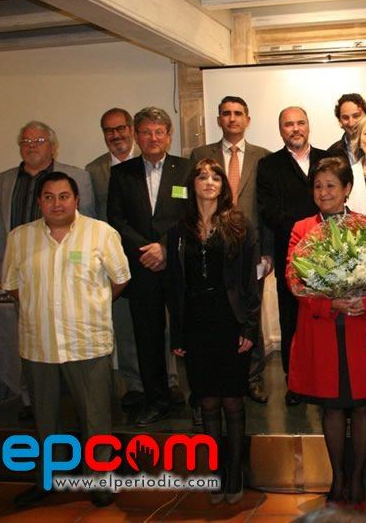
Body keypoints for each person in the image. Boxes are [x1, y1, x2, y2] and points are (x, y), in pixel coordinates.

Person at [2, 172, 130, 509]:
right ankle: (49, 479)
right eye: (49, 197)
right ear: (39, 202)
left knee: (95, 417)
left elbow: (119, 280)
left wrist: (89, 306)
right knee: (45, 419)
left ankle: (98, 480)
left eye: (63, 196)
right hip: (39, 344)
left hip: (86, 341)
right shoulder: (19, 238)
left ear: (76, 199)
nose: (56, 203)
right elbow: (13, 286)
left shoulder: (101, 233)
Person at [285, 156, 366, 509]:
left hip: (359, 329)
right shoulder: (302, 229)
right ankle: (337, 478)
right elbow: (294, 277)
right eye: (318, 186)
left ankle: (358, 478)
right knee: (332, 408)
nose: (324, 192)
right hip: (322, 329)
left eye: (331, 185)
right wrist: (330, 303)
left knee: (362, 406)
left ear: (347, 188)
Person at [166, 158, 260, 505]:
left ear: (223, 186)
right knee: (206, 401)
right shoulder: (179, 230)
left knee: (232, 400)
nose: (208, 182)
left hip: (230, 320)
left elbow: (250, 281)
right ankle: (216, 474)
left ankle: (235, 475)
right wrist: (177, 333)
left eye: (215, 177)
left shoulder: (240, 225)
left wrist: (249, 325)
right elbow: (174, 285)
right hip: (195, 322)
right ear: (192, 184)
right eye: (202, 176)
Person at [107, 106, 194, 426]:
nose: (153, 137)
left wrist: (165, 247)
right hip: (142, 266)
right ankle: (156, 400)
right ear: (136, 135)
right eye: (146, 132)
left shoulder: (187, 169)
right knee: (148, 338)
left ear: (169, 136)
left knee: (191, 333)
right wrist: (148, 249)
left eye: (159, 132)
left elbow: (193, 215)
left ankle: (199, 400)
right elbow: (116, 219)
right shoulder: (122, 174)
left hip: (180, 265)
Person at [190, 95, 271, 405]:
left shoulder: (263, 157)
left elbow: (265, 208)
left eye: (238, 113)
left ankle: (253, 377)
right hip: (211, 246)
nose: (232, 118)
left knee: (251, 311)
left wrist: (268, 252)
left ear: (247, 119)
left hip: (250, 248)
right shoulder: (201, 154)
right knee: (217, 314)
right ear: (218, 120)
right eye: (226, 113)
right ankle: (215, 377)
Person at [256, 106, 329, 406]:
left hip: (330, 255)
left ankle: (325, 380)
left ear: (308, 126)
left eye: (300, 123)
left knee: (324, 319)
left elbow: (337, 199)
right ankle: (295, 384)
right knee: (291, 321)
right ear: (280, 129)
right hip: (291, 254)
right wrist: (306, 229)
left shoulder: (328, 159)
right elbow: (268, 210)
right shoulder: (268, 165)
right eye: (288, 124)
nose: (295, 128)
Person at [85, 108, 143, 411]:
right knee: (124, 325)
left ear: (131, 129)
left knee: (161, 323)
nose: (116, 135)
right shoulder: (93, 171)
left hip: (148, 255)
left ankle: (169, 380)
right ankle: (134, 384)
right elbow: (91, 217)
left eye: (121, 128)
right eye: (109, 130)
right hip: (113, 260)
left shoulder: (148, 159)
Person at [0, 120, 95, 283]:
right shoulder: (4, 180)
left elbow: (88, 227)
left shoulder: (78, 177)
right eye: (25, 141)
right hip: (19, 271)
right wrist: (1, 272)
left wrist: (81, 268)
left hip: (65, 270)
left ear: (53, 147)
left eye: (39, 141)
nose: (31, 146)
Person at [327, 93, 366, 164]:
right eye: (345, 118)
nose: (351, 123)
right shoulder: (331, 154)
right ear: (340, 122)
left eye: (356, 116)